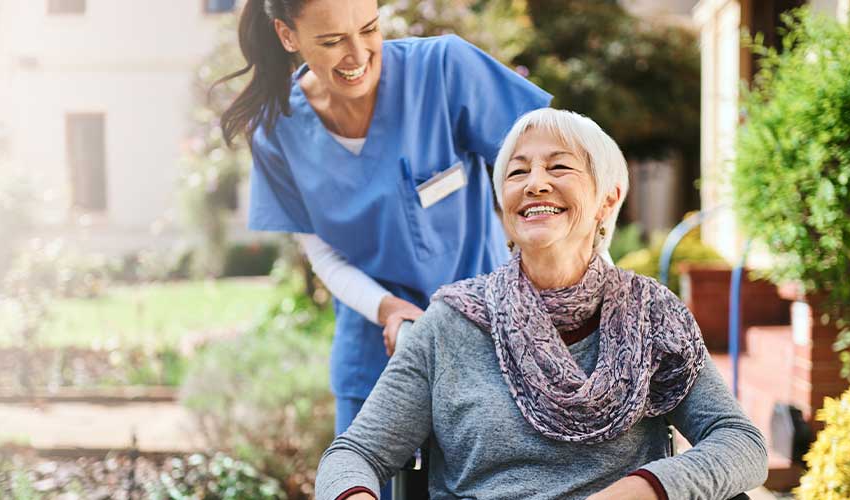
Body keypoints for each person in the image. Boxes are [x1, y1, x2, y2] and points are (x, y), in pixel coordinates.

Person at [315, 109, 769, 500]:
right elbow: (355, 453)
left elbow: (742, 443)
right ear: (504, 205)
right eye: (517, 172)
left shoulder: (652, 315)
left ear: (607, 198)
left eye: (559, 168)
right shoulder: (451, 323)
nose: (535, 184)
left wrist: (646, 487)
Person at [218, 0, 552, 461]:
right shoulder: (277, 130)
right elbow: (324, 254)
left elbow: (552, 183)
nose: (357, 54)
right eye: (332, 41)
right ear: (287, 35)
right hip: (375, 359)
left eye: (369, 29)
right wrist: (389, 310)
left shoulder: (443, 70)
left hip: (490, 345)